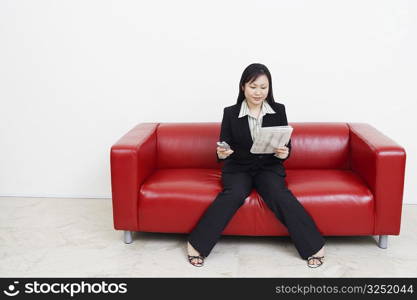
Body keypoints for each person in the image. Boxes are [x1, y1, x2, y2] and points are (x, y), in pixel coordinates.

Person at [186, 63, 326, 268]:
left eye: (263, 87)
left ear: (269, 88)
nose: (258, 92)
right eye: (253, 86)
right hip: (238, 167)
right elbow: (224, 145)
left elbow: (285, 145)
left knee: (279, 194)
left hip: (268, 167)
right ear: (243, 86)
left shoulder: (279, 110)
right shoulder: (231, 112)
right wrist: (222, 152)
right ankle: (197, 244)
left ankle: (313, 247)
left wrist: (284, 152)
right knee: (233, 194)